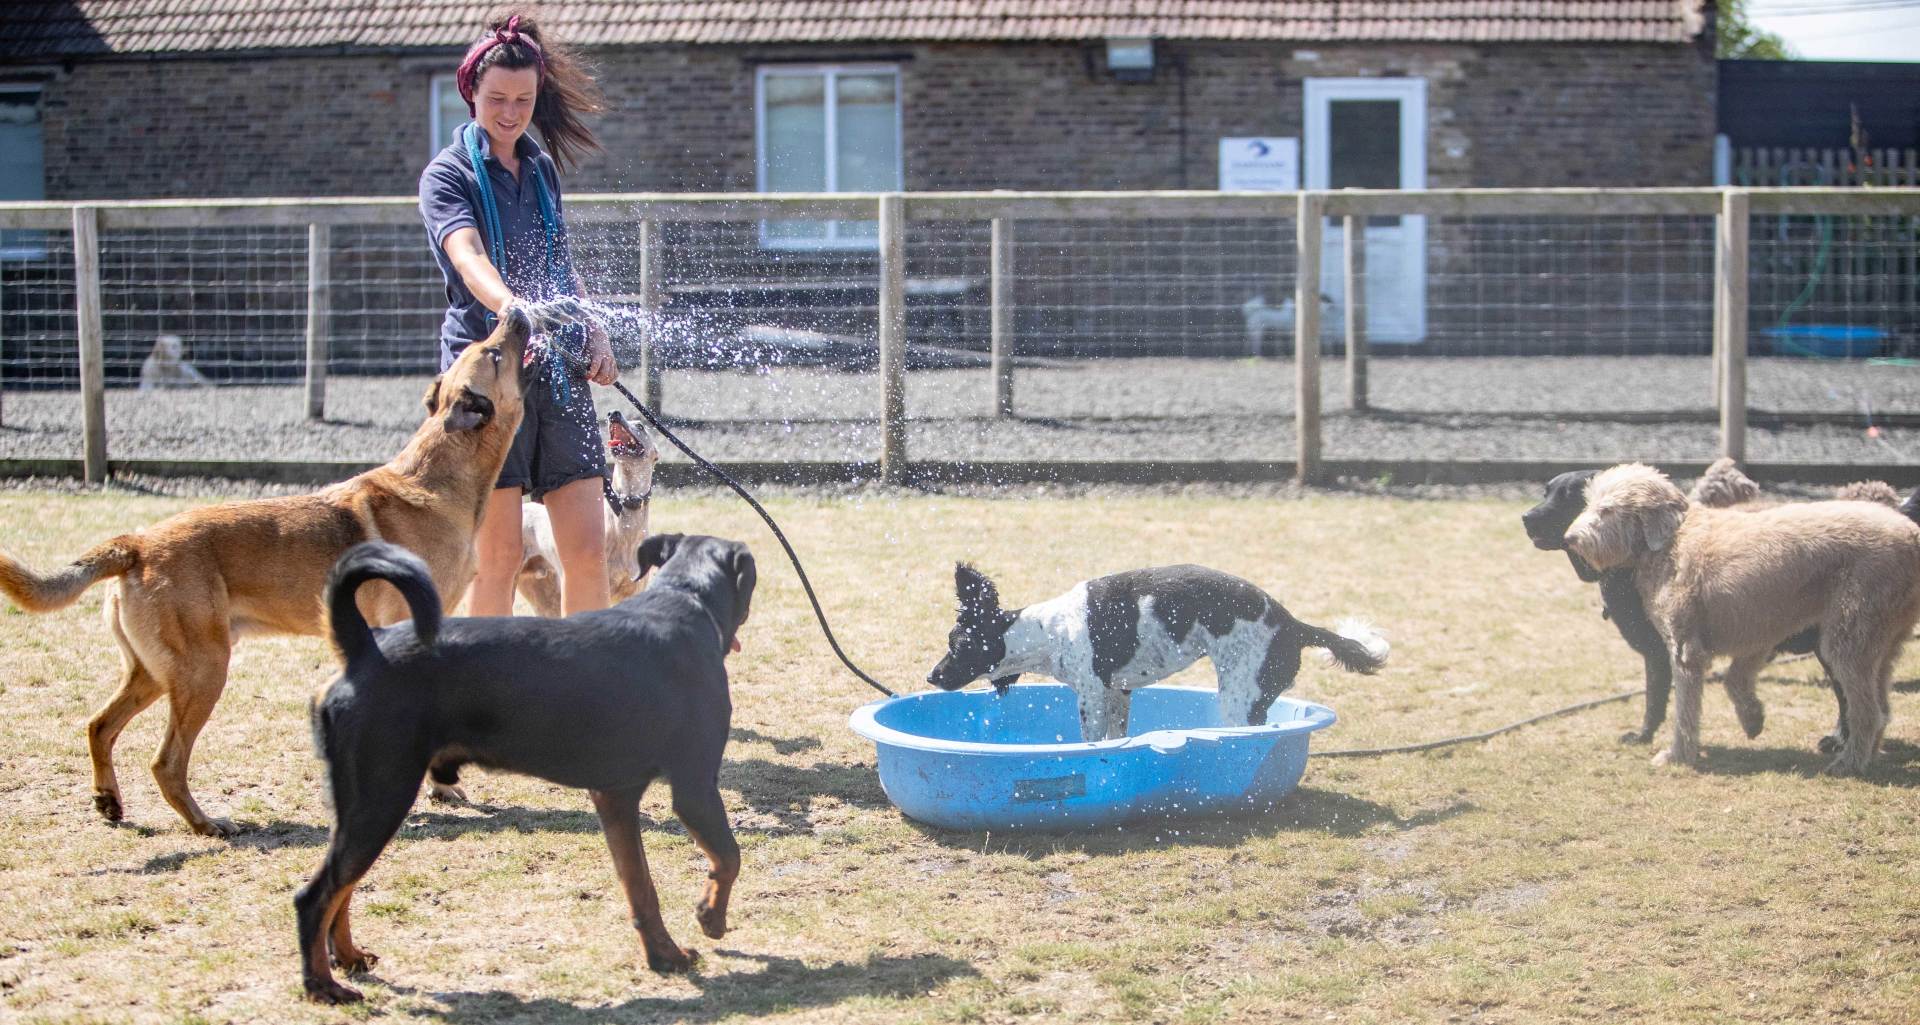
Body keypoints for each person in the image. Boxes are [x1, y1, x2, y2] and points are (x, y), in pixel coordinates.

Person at [419, 10, 618, 617]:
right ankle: (488, 702)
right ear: (470, 93)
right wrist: (514, 310)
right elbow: (468, 254)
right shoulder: (446, 175)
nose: (510, 111)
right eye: (497, 98)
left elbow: (559, 263)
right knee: (498, 557)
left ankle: (595, 685)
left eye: (524, 100)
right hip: (485, 382)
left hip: (555, 369)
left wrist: (594, 328)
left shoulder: (541, 169)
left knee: (587, 548)